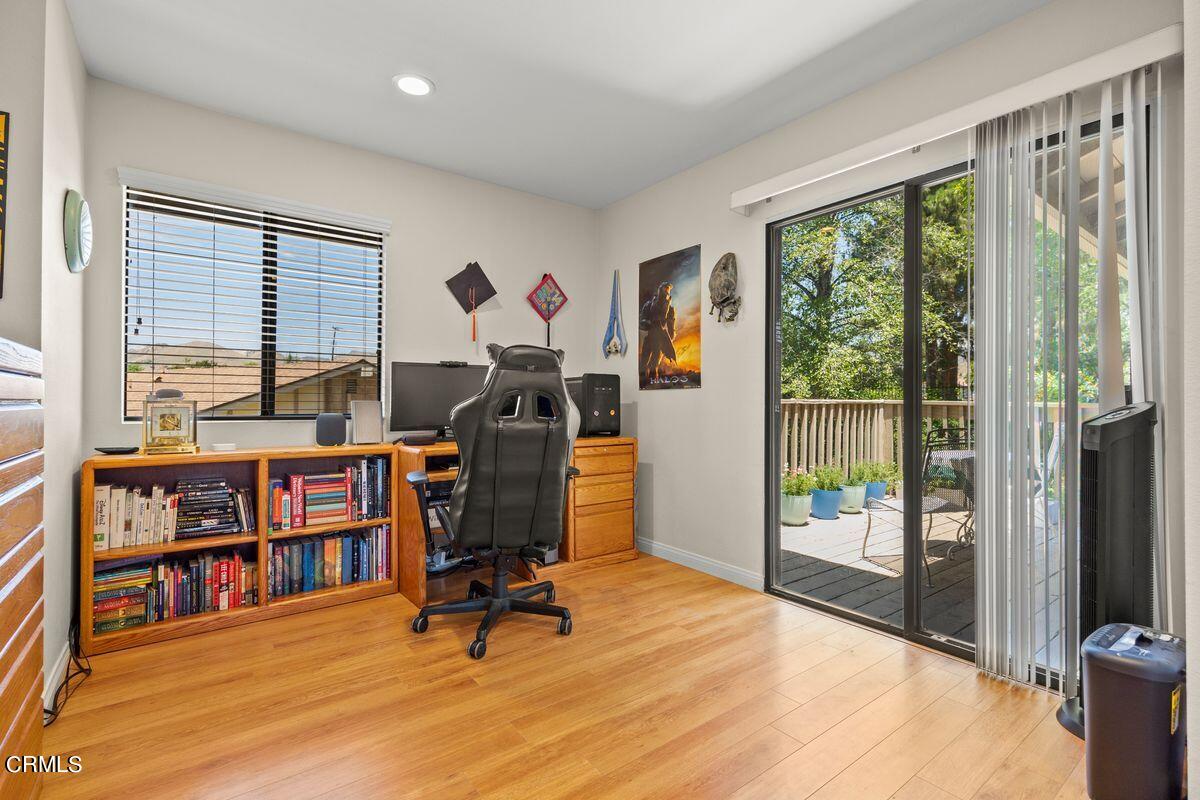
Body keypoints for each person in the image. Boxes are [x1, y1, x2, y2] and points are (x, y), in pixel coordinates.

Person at [639, 281, 676, 383]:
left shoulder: (670, 308)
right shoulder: (649, 305)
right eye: (665, 288)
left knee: (654, 363)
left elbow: (671, 323)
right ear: (660, 290)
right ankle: (643, 382)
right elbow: (642, 320)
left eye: (668, 289)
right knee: (644, 362)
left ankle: (651, 383)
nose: (666, 291)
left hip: (660, 338)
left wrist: (670, 337)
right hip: (650, 335)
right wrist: (647, 322)